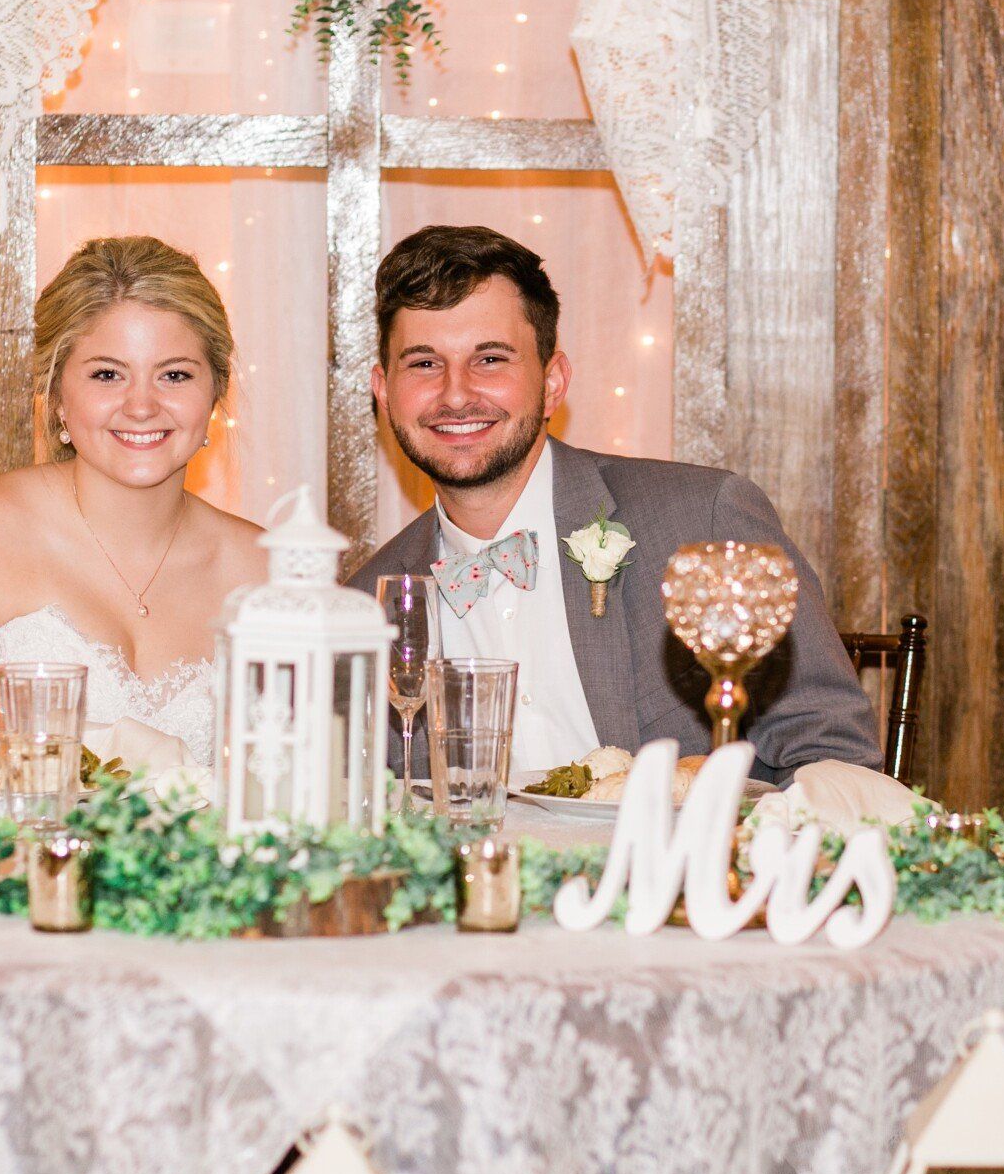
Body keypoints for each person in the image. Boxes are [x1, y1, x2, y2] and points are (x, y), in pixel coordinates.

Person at [347, 224, 880, 784]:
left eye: (491, 360)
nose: (456, 394)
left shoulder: (702, 522)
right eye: (424, 364)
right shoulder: (365, 608)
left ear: (553, 382)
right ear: (384, 392)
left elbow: (834, 758)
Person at [0, 236, 267, 764]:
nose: (143, 406)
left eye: (174, 375)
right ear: (58, 397)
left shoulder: (267, 569)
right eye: (107, 375)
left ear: (215, 393)